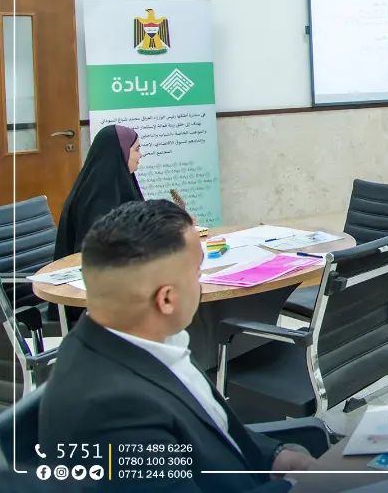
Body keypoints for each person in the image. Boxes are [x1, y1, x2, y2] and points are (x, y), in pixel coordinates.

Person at [39, 200, 315, 491]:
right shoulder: (112, 414)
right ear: (167, 299)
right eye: (198, 272)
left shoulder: (149, 337)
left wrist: (274, 456)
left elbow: (213, 428)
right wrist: (310, 485)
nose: (201, 282)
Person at [54, 124, 144, 261]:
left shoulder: (123, 183)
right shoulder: (96, 199)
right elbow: (97, 251)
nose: (140, 155)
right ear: (120, 153)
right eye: (136, 149)